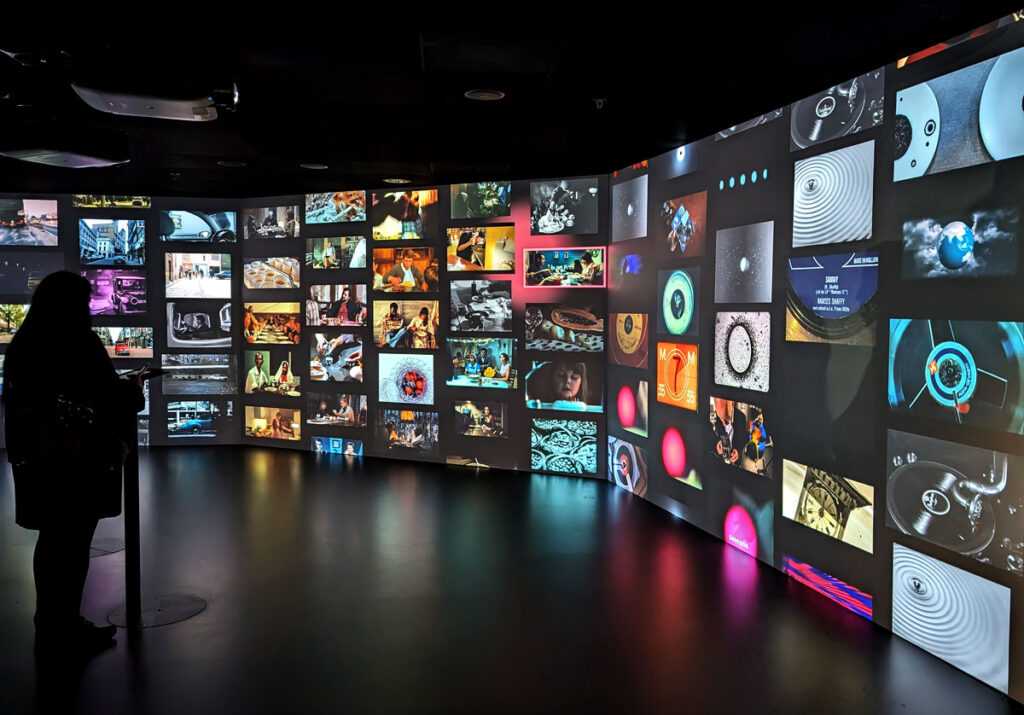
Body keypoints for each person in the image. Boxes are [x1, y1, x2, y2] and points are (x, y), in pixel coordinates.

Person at [2, 271, 144, 653]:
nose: (89, 311)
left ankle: (50, 624)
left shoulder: (24, 345)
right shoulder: (79, 343)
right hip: (79, 464)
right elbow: (108, 396)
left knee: (52, 544)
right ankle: (66, 627)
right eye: (83, 304)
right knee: (74, 545)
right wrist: (133, 390)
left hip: (39, 465)